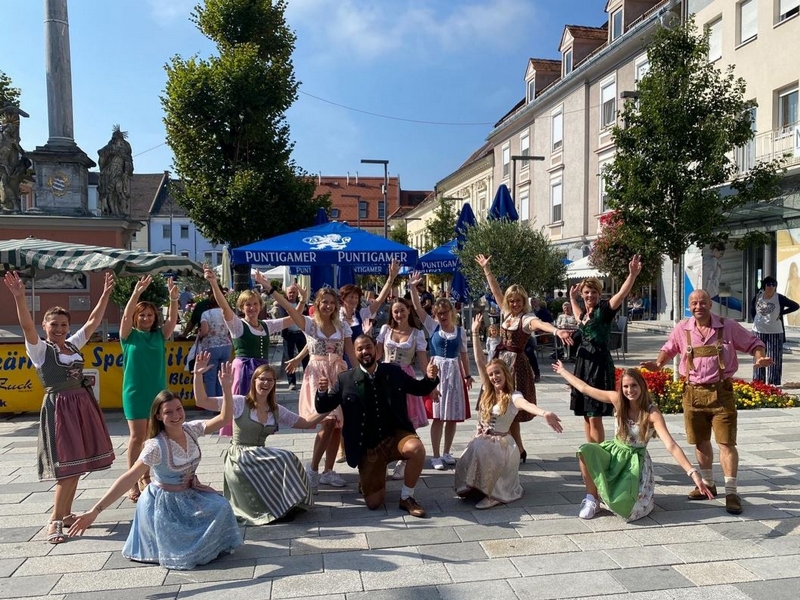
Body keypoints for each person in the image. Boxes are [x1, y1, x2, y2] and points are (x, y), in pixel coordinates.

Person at [68, 359, 242, 569]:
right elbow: (130, 477)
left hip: (189, 494)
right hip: (163, 503)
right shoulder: (155, 446)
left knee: (222, 507)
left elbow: (224, 418)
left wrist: (226, 388)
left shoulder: (191, 429)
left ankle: (205, 545)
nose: (176, 415)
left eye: (178, 409)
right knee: (183, 544)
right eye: (168, 412)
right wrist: (95, 511)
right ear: (158, 416)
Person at [3, 271, 116, 544]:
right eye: (54, 324)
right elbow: (27, 327)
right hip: (60, 409)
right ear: (45, 325)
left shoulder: (72, 345)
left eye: (63, 324)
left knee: (78, 463)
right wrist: (19, 297)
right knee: (67, 466)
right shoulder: (41, 350)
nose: (59, 329)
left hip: (81, 406)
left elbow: (92, 322)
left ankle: (65, 514)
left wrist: (105, 294)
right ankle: (54, 520)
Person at [641, 289, 771, 515]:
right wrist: (658, 364)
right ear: (689, 306)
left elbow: (754, 342)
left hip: (722, 393)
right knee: (700, 442)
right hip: (692, 394)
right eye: (694, 303)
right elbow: (669, 348)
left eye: (702, 302)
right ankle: (708, 484)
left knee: (726, 443)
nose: (698, 306)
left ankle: (731, 492)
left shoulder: (728, 326)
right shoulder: (683, 328)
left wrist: (759, 356)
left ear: (710, 304)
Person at [552, 361, 714, 520]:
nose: (630, 390)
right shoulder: (617, 400)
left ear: (642, 386)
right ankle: (592, 499)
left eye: (634, 385)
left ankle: (622, 494)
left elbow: (671, 445)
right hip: (613, 453)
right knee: (585, 451)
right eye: (626, 386)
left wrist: (693, 473)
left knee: (629, 510)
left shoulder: (652, 413)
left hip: (635, 462)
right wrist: (562, 371)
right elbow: (585, 388)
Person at [315, 335, 440, 517]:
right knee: (374, 503)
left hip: (396, 435)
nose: (365, 351)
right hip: (369, 446)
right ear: (355, 353)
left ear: (375, 348)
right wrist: (321, 391)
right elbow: (323, 407)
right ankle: (368, 476)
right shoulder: (345, 379)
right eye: (360, 349)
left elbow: (418, 389)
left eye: (368, 347)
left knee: (417, 449)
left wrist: (430, 378)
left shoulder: (393, 371)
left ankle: (407, 497)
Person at [193, 358, 329, 524]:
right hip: (239, 457)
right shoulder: (239, 402)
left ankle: (289, 503)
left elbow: (306, 423)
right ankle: (278, 508)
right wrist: (197, 375)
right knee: (283, 458)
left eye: (270, 380)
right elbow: (202, 401)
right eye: (262, 379)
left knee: (288, 457)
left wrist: (330, 407)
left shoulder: (275, 409)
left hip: (258, 455)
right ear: (254, 381)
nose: (266, 383)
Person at [455, 316, 563, 509]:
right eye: (491, 374)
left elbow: (526, 405)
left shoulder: (513, 396)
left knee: (485, 454)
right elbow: (479, 360)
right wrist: (474, 332)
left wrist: (544, 413)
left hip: (502, 445)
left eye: (498, 373)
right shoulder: (487, 390)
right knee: (469, 454)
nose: (494, 377)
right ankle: (478, 487)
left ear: (506, 374)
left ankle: (496, 494)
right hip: (482, 439)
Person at [475, 255, 573, 462]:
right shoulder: (506, 313)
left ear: (524, 301)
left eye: (518, 300)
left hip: (516, 365)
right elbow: (496, 291)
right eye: (511, 300)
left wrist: (557, 331)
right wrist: (486, 269)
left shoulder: (527, 318)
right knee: (500, 408)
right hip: (501, 362)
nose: (514, 304)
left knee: (511, 411)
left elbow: (542, 325)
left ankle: (517, 450)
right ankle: (515, 450)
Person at [279, 284, 357, 492]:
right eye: (324, 302)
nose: (328, 306)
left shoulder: (343, 326)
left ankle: (328, 471)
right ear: (318, 303)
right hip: (317, 375)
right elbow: (290, 310)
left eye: (332, 303)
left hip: (338, 374)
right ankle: (313, 469)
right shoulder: (310, 323)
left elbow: (350, 352)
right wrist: (270, 289)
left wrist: (361, 375)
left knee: (337, 424)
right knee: (328, 420)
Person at [204, 267, 296, 436]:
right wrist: (214, 283)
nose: (252, 308)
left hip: (262, 371)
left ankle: (259, 432)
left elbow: (293, 317)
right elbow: (224, 307)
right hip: (244, 370)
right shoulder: (238, 325)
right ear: (242, 307)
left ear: (260, 306)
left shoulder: (266, 325)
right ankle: (238, 435)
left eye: (255, 304)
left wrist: (273, 289)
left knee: (262, 405)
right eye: (248, 304)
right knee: (241, 405)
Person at [569, 255, 642, 444]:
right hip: (583, 364)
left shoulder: (604, 310)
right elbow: (577, 315)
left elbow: (621, 295)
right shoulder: (585, 315)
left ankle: (599, 451)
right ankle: (591, 451)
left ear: (599, 294)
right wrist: (572, 298)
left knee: (594, 415)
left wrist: (632, 275)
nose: (590, 295)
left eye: (593, 292)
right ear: (582, 294)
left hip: (599, 364)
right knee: (586, 414)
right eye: (586, 292)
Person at [120, 275, 180, 503]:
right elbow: (126, 316)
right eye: (142, 315)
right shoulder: (128, 335)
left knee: (152, 437)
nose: (146, 318)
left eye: (150, 315)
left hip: (157, 393)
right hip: (135, 392)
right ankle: (132, 482)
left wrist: (173, 299)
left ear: (155, 317)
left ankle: (146, 476)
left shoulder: (159, 335)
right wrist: (136, 293)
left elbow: (172, 320)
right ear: (136, 317)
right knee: (137, 437)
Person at [409, 273, 472, 471]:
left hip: (454, 372)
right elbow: (418, 309)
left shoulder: (460, 332)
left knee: (452, 416)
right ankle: (435, 455)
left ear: (451, 312)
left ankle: (446, 452)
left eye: (445, 313)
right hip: (437, 371)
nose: (443, 317)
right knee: (437, 416)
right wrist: (413, 288)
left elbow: (464, 355)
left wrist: (468, 375)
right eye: (439, 314)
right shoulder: (433, 326)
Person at [376, 297, 430, 480]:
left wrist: (431, 383)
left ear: (408, 311)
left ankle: (404, 460)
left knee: (406, 419)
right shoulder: (386, 330)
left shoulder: (417, 333)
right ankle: (384, 458)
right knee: (384, 419)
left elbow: (422, 361)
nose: (399, 314)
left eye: (402, 310)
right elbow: (377, 355)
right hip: (385, 376)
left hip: (405, 377)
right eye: (395, 311)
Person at [750, 275, 799, 386]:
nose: (771, 287)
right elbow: (752, 310)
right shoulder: (758, 297)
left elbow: (795, 306)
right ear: (764, 286)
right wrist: (756, 321)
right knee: (759, 357)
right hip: (758, 331)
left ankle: (774, 384)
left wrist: (781, 313)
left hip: (775, 332)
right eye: (769, 284)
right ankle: (758, 383)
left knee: (774, 358)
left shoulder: (779, 298)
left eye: (773, 285)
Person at [197, 289, 233, 398]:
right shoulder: (226, 312)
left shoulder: (206, 314)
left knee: (210, 376)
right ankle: (222, 401)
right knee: (222, 376)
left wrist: (199, 334)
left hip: (211, 347)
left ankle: (211, 402)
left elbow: (205, 331)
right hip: (226, 346)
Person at [273, 283, 309, 391]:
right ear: (286, 293)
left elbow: (306, 317)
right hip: (289, 335)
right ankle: (291, 382)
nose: (291, 295)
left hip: (301, 334)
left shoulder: (303, 304)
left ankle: (307, 380)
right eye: (290, 293)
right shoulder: (283, 305)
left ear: (297, 293)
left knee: (305, 358)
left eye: (293, 292)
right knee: (289, 358)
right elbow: (286, 317)